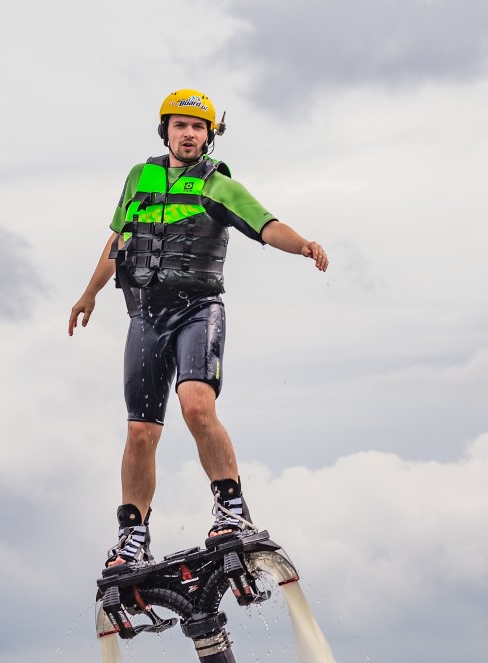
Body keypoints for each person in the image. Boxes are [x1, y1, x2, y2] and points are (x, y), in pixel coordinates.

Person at [68, 88, 328, 571]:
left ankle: (231, 507)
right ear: (165, 130)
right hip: (145, 315)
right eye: (180, 126)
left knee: (195, 404)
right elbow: (119, 238)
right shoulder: (138, 178)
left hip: (197, 310)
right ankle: (132, 535)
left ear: (209, 136)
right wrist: (90, 293)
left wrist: (304, 245)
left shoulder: (218, 185)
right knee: (140, 432)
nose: (189, 134)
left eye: (198, 128)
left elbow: (267, 224)